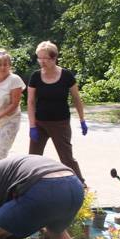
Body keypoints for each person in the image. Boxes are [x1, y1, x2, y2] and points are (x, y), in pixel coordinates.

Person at [27, 41, 87, 185]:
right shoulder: (35, 76)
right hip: (40, 123)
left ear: (54, 58)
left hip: (60, 123)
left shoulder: (66, 76)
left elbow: (76, 99)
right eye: (39, 58)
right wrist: (32, 126)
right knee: (33, 158)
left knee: (66, 158)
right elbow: (30, 102)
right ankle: (28, 184)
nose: (41, 62)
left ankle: (81, 185)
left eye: (45, 58)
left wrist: (82, 120)